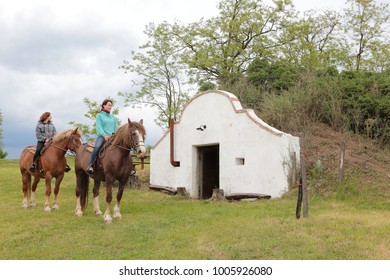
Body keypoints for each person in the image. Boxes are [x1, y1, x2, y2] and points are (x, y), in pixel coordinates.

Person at [86, 99, 118, 174]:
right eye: (109, 105)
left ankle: (128, 167)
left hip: (112, 137)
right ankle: (91, 164)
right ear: (104, 105)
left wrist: (115, 135)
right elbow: (99, 127)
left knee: (122, 147)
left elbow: (116, 127)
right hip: (102, 136)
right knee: (97, 147)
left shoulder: (113, 117)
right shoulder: (99, 115)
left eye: (111, 105)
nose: (110, 107)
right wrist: (104, 135)